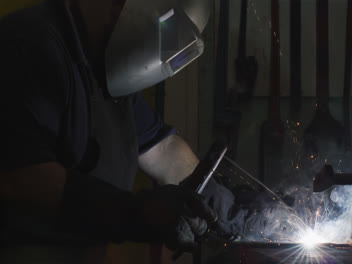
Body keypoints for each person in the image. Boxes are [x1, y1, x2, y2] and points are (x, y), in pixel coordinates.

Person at [0, 0, 216, 262]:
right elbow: (21, 179)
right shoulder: (28, 43)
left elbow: (162, 148)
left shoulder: (104, 64)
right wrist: (139, 212)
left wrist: (219, 202)